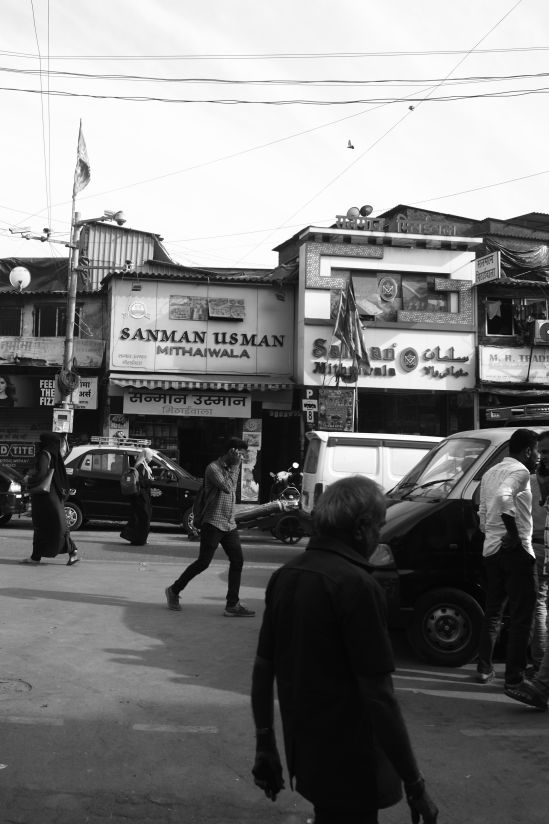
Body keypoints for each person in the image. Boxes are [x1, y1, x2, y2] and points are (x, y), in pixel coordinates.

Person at [251, 475, 438, 824]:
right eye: (378, 527)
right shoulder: (358, 586)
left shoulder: (286, 575)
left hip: (307, 755)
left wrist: (265, 743)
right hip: (353, 764)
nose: (378, 536)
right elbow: (379, 696)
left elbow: (264, 668)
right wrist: (415, 783)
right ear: (362, 527)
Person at [476, 428, 539, 690]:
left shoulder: (490, 473)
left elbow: (482, 513)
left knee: (493, 612)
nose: (538, 457)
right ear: (527, 451)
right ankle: (515, 676)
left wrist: (493, 532)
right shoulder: (521, 472)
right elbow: (503, 498)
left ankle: (484, 668)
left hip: (491, 550)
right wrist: (512, 533)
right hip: (516, 551)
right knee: (523, 615)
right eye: (537, 451)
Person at [165, 437, 255, 617]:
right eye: (240, 454)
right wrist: (236, 466)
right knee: (203, 562)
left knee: (237, 561)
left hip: (229, 523)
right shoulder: (213, 468)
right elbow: (228, 487)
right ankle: (174, 590)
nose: (241, 458)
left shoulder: (231, 467)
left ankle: (232, 604)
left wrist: (235, 466)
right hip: (213, 522)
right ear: (231, 451)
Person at [21, 432, 78, 566]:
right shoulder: (55, 455)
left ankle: (36, 557)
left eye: (41, 441)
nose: (39, 443)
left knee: (41, 526)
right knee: (58, 526)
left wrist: (28, 479)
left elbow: (41, 474)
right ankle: (72, 552)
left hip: (44, 496)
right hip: (54, 495)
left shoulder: (45, 454)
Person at [120, 448, 154, 546]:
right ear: (146, 456)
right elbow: (141, 482)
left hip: (143, 496)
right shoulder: (141, 466)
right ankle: (139, 540)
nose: (151, 458)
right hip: (140, 497)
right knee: (142, 518)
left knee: (140, 517)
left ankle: (139, 539)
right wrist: (150, 481)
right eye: (150, 456)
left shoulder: (144, 466)